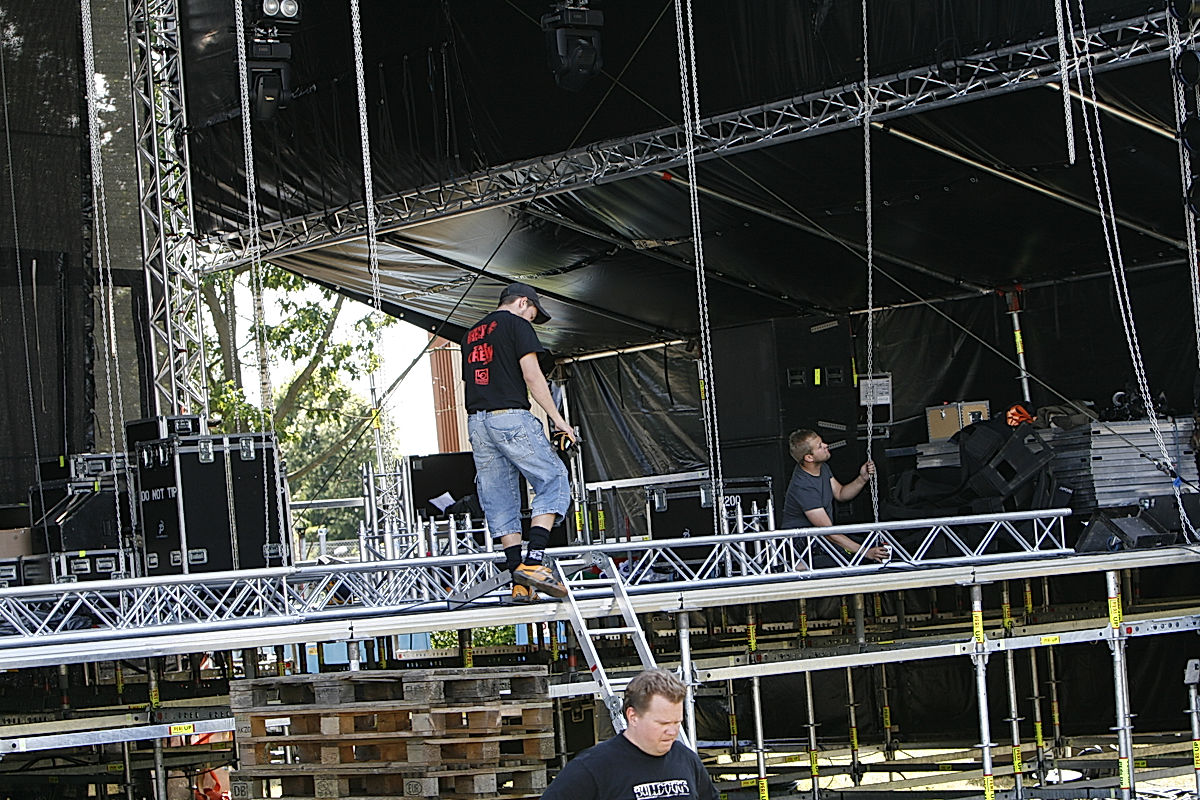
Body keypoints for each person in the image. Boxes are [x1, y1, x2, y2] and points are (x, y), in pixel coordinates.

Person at [461, 282, 577, 603]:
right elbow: (532, 375)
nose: (531, 319)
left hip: (478, 422)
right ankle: (535, 562)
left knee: (499, 498)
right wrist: (557, 419)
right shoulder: (517, 324)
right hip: (510, 415)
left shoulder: (471, 333)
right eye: (533, 313)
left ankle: (519, 580)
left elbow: (474, 380)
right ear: (523, 302)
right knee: (553, 480)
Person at [540, 668, 718, 800]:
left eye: (677, 722)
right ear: (632, 716)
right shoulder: (592, 768)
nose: (672, 731)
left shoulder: (687, 760)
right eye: (662, 723)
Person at [781, 429, 889, 562]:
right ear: (809, 457)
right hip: (803, 545)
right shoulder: (803, 486)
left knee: (867, 546)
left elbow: (840, 493)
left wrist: (862, 479)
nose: (826, 445)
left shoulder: (823, 468)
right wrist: (866, 552)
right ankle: (802, 566)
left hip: (820, 538)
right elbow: (827, 532)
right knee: (859, 555)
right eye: (820, 446)